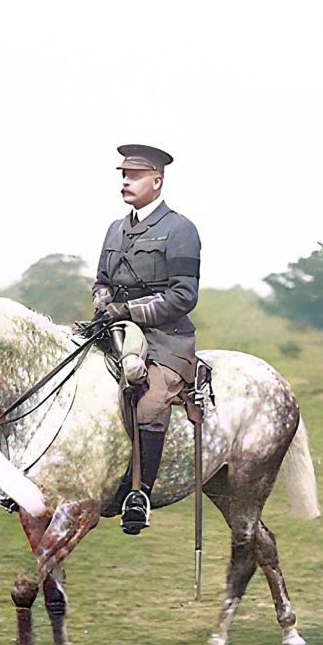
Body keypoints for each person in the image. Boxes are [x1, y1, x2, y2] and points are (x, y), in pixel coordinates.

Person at [93, 144, 201, 534]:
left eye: (135, 175)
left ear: (157, 179)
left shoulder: (180, 229)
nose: (126, 181)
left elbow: (183, 296)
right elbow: (101, 282)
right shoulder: (115, 229)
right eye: (123, 174)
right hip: (116, 332)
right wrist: (104, 303)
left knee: (150, 402)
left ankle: (139, 493)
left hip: (165, 339)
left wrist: (130, 311)